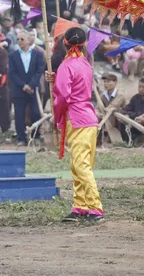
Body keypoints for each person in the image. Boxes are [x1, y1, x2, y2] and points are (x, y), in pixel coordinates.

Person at [46, 27, 103, 222]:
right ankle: (80, 205)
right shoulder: (85, 63)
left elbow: (63, 95)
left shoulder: (66, 65)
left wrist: (57, 113)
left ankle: (95, 207)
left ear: (65, 43)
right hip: (89, 118)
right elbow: (72, 86)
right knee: (78, 164)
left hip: (77, 119)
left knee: (80, 165)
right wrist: (56, 80)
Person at [8, 31, 46, 146]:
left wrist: (31, 85)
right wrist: (23, 86)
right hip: (19, 89)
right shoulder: (13, 55)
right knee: (19, 114)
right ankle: (21, 138)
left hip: (33, 89)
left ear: (29, 41)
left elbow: (39, 71)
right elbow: (12, 73)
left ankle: (36, 136)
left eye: (22, 39)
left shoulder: (37, 54)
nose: (19, 41)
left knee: (35, 113)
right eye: (18, 39)